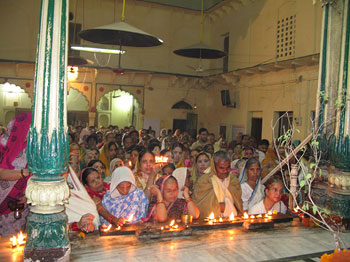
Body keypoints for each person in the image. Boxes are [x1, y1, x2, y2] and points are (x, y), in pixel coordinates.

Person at [0, 112, 32, 236]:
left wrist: (27, 196)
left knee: (13, 246)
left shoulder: (29, 148)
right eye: (28, 129)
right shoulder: (3, 144)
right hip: (2, 198)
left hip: (18, 204)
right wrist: (25, 173)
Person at [192, 151, 243, 219]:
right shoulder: (204, 181)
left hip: (233, 219)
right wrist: (221, 206)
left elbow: (238, 203)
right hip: (211, 223)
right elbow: (201, 205)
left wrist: (227, 205)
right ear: (214, 167)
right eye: (221, 168)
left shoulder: (233, 180)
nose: (225, 171)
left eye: (227, 168)